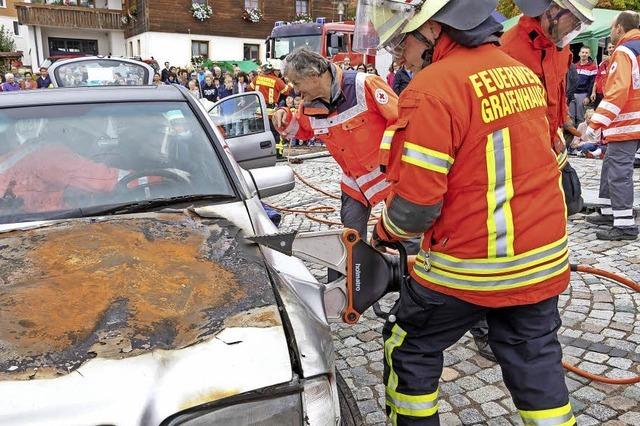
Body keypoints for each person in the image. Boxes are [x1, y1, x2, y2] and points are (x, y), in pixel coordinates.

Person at [356, 0, 578, 424]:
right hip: (541, 263)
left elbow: (417, 208)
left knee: (410, 347)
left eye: (404, 42)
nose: (401, 55)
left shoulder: (432, 89)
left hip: (470, 267)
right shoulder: (520, 73)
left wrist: (384, 233)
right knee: (536, 362)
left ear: (435, 31)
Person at [470, 0, 595, 362]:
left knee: (544, 231)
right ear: (550, 11)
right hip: (508, 160)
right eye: (572, 19)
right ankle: (484, 322)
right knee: (498, 239)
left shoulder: (561, 47)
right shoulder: (507, 47)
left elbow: (555, 99)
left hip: (545, 152)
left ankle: (530, 311)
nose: (574, 29)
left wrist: (561, 134)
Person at [273, 47, 398, 246]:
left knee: (403, 231)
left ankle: (408, 272)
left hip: (391, 176)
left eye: (296, 82)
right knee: (349, 237)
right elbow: (302, 130)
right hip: (355, 180)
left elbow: (400, 122)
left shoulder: (364, 85)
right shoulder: (309, 106)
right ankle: (352, 273)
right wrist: (283, 114)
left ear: (314, 75)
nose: (296, 91)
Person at [585, 10, 640, 241]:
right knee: (611, 164)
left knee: (618, 171)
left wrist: (596, 123)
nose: (610, 32)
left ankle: (624, 224)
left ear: (619, 28)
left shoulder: (624, 50)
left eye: (611, 28)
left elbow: (617, 92)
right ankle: (609, 210)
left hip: (626, 123)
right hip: (634, 121)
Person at [570, 45, 597, 126]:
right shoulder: (574, 66)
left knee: (580, 116)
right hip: (572, 94)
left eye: (586, 53)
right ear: (579, 54)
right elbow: (570, 81)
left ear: (589, 54)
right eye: (583, 52)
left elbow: (592, 83)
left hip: (582, 94)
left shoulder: (593, 67)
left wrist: (588, 97)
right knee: (571, 115)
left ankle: (580, 134)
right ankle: (571, 135)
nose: (584, 54)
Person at [591, 42, 615, 108]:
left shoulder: (618, 61)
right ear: (607, 49)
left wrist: (610, 60)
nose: (611, 49)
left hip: (609, 94)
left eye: (613, 47)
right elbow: (597, 78)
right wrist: (593, 92)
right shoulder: (602, 63)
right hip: (599, 93)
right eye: (610, 47)